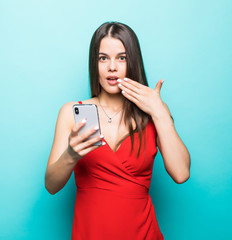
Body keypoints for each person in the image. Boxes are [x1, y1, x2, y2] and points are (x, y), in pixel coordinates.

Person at [44, 21, 191, 240]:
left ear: (133, 61)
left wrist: (159, 112)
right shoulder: (71, 112)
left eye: (121, 58)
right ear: (95, 63)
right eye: (103, 58)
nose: (112, 67)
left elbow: (181, 174)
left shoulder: (154, 112)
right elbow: (51, 185)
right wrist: (71, 155)